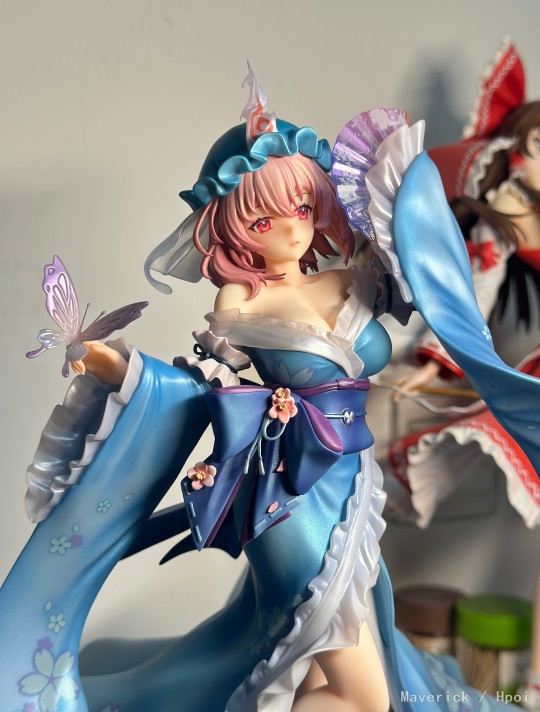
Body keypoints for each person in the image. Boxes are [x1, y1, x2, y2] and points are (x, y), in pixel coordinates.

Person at [0, 69, 538, 712]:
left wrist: (426, 211)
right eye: (264, 218)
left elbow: (420, 276)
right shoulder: (241, 304)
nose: (290, 229)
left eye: (303, 209)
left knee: (320, 667)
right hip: (290, 498)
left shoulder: (348, 281)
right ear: (232, 229)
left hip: (353, 485)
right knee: (360, 690)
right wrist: (122, 371)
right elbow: (208, 386)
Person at [383, 40, 540, 529]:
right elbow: (476, 285)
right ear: (516, 151)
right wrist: (439, 359)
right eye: (538, 146)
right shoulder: (509, 209)